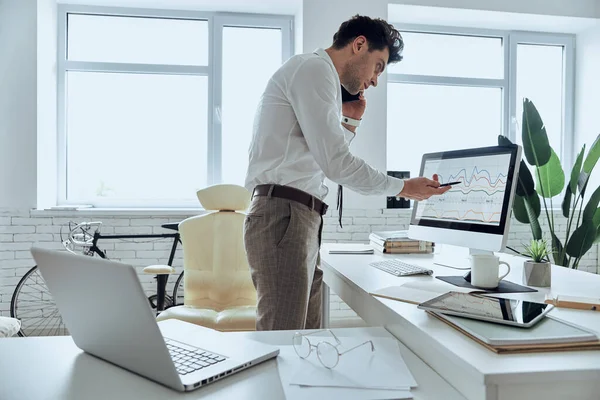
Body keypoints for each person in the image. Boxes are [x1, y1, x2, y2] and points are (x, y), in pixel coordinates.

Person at [244, 14, 451, 331]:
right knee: (283, 342)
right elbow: (337, 163)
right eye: (378, 66)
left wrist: (350, 122)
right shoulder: (314, 70)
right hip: (284, 216)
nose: (374, 80)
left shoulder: (316, 75)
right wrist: (404, 187)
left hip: (297, 217)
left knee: (305, 342)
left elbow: (321, 157)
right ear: (359, 45)